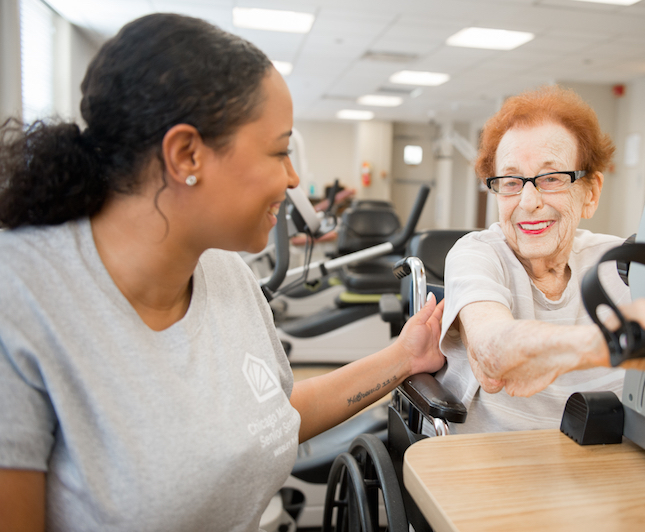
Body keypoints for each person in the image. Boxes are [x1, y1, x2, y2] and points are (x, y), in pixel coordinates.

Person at [0, 14, 444, 531]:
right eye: (279, 151)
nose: (294, 176)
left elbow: (275, 417)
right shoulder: (20, 300)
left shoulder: (225, 273)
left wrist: (404, 357)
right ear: (187, 154)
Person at [437, 86, 645, 434]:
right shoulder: (477, 254)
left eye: (551, 179)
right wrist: (612, 343)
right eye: (511, 181)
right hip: (494, 468)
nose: (528, 200)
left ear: (590, 193)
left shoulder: (622, 264)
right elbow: (491, 352)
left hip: (609, 464)